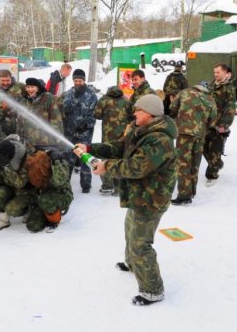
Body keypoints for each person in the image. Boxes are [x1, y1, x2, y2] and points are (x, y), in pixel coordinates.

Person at [74, 94, 177, 306]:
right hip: (140, 194)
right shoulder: (141, 130)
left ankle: (152, 290)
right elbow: (120, 147)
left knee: (141, 243)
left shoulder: (160, 140)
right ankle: (132, 264)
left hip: (152, 198)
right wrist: (90, 148)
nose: (134, 113)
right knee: (130, 229)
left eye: (138, 110)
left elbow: (136, 167)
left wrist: (106, 167)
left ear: (149, 113)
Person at [169, 84, 217, 205]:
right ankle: (192, 191)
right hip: (200, 134)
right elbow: (213, 117)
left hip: (184, 132)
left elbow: (172, 107)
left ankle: (184, 195)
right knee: (195, 163)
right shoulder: (210, 98)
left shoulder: (184, 92)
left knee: (183, 163)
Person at [62, 69, 97, 193]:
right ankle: (64, 184)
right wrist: (72, 101)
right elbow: (63, 109)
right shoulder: (68, 93)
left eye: (80, 81)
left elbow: (94, 114)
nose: (78, 83)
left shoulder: (91, 95)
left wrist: (85, 124)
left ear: (84, 80)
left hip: (85, 133)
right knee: (68, 157)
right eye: (76, 80)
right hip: (69, 131)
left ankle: (86, 185)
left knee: (84, 158)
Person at [202, 63, 237, 186]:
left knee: (215, 150)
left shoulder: (229, 88)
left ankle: (212, 174)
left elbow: (230, 107)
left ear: (225, 72)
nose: (215, 74)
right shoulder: (211, 85)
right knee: (204, 148)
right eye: (214, 72)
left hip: (219, 125)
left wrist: (224, 124)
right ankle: (218, 164)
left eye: (218, 72)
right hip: (207, 123)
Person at [93, 86, 130, 195]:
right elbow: (132, 115)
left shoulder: (104, 100)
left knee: (106, 156)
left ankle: (107, 185)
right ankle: (119, 186)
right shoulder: (126, 101)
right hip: (122, 136)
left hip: (107, 135)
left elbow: (97, 115)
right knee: (119, 157)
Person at [17, 78, 64, 149]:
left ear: (38, 88)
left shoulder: (47, 98)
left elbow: (56, 119)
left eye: (33, 87)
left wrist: (58, 140)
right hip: (28, 143)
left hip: (45, 142)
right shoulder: (23, 101)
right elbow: (20, 121)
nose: (30, 90)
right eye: (28, 87)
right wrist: (19, 137)